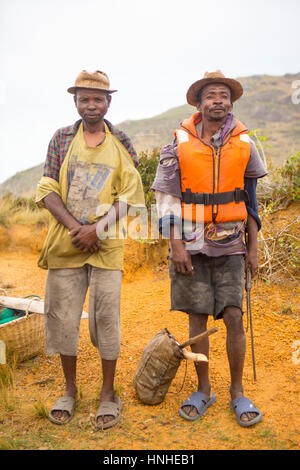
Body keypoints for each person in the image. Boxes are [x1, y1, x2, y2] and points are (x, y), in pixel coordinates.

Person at [152, 70, 267, 427]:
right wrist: (177, 246)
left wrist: (253, 246)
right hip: (190, 243)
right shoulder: (178, 142)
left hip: (232, 242)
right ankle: (203, 389)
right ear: (199, 103)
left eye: (223, 95)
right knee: (197, 316)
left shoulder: (244, 142)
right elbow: (166, 199)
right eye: (211, 95)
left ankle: (237, 392)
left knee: (233, 315)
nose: (218, 100)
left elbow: (250, 200)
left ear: (230, 102)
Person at [36, 70, 145, 429]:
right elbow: (48, 188)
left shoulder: (121, 140)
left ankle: (107, 393)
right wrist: (75, 228)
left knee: (106, 319)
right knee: (64, 316)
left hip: (106, 246)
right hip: (66, 244)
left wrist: (97, 229)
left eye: (98, 99)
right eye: (85, 99)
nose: (91, 105)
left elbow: (130, 195)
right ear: (76, 102)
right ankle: (69, 389)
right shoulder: (62, 139)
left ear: (108, 102)